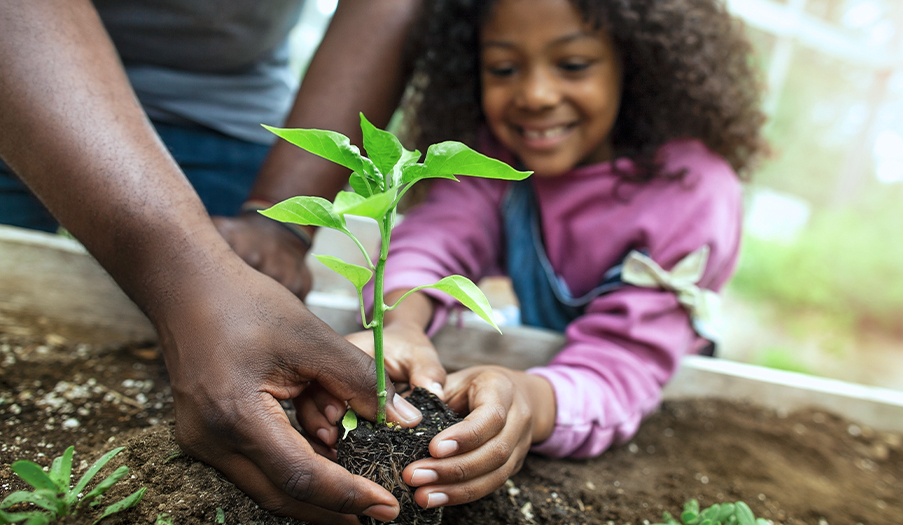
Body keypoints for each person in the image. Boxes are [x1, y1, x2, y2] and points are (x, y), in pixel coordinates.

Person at [296, 0, 767, 511]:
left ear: (637, 62)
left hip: (642, 381)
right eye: (503, 68)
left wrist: (530, 401)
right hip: (547, 359)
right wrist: (402, 322)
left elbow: (622, 364)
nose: (536, 95)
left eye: (573, 65)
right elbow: (439, 237)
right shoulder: (497, 157)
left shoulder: (692, 193)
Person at [0, 0, 424, 523]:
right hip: (11, 68)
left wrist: (279, 226)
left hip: (221, 111)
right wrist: (187, 275)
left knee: (232, 345)